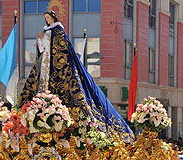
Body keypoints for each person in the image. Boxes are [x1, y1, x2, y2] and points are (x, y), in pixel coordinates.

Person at [18, 10, 133, 140]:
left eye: (49, 17)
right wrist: (40, 39)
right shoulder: (45, 30)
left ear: (53, 18)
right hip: (46, 62)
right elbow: (42, 48)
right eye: (46, 18)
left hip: (57, 65)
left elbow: (61, 47)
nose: (47, 20)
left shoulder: (58, 29)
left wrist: (46, 39)